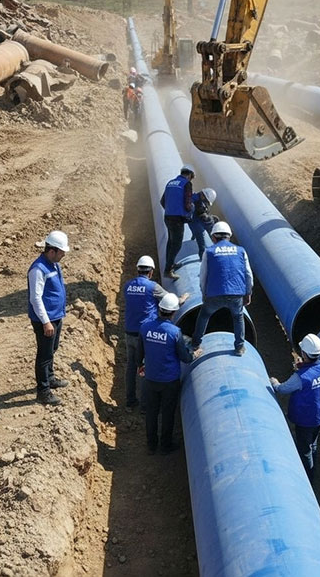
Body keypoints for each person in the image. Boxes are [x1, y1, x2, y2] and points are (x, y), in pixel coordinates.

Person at [270, 334, 320, 482]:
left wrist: (274, 382)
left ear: (304, 353)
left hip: (304, 419)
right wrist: (302, 367)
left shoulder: (301, 377)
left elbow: (283, 389)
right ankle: (313, 468)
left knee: (304, 450)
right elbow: (315, 375)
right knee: (313, 443)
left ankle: (308, 479)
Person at [138, 293, 193, 454]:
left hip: (150, 378)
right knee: (168, 413)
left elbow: (139, 353)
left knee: (151, 412)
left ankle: (151, 445)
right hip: (169, 380)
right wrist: (193, 355)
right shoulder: (174, 332)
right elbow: (184, 357)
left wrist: (140, 366)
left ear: (159, 309)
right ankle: (165, 445)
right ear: (174, 313)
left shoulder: (145, 328)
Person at [190, 221, 253, 356]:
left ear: (213, 237)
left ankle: (195, 344)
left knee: (204, 315)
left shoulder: (209, 252)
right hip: (236, 293)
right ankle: (239, 347)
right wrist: (248, 293)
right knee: (238, 317)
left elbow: (203, 275)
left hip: (215, 294)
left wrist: (204, 293)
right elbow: (248, 274)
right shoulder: (241, 250)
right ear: (229, 236)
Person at [29, 230, 71, 406]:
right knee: (44, 355)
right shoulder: (38, 269)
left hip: (56, 316)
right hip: (45, 319)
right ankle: (43, 391)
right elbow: (35, 298)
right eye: (61, 252)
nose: (63, 255)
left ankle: (50, 377)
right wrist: (46, 322)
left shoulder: (54, 264)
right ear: (52, 251)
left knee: (52, 349)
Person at [122, 255, 167, 409]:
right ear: (151, 271)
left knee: (131, 367)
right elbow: (168, 301)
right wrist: (182, 298)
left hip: (129, 332)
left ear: (138, 269)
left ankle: (130, 401)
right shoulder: (153, 287)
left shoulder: (127, 286)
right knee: (144, 368)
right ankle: (145, 405)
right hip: (145, 335)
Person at [159, 165, 194, 279]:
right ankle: (168, 270)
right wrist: (190, 212)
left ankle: (171, 264)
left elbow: (162, 201)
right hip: (177, 219)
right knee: (177, 244)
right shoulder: (187, 184)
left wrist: (171, 209)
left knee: (170, 241)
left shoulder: (170, 183)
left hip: (168, 217)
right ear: (189, 175)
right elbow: (188, 204)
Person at [187, 187, 218, 261]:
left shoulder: (194, 197)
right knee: (201, 242)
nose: (206, 202)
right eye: (206, 201)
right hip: (195, 223)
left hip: (192, 222)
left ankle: (193, 237)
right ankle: (202, 258)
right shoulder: (198, 203)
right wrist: (211, 221)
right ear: (203, 196)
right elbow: (203, 217)